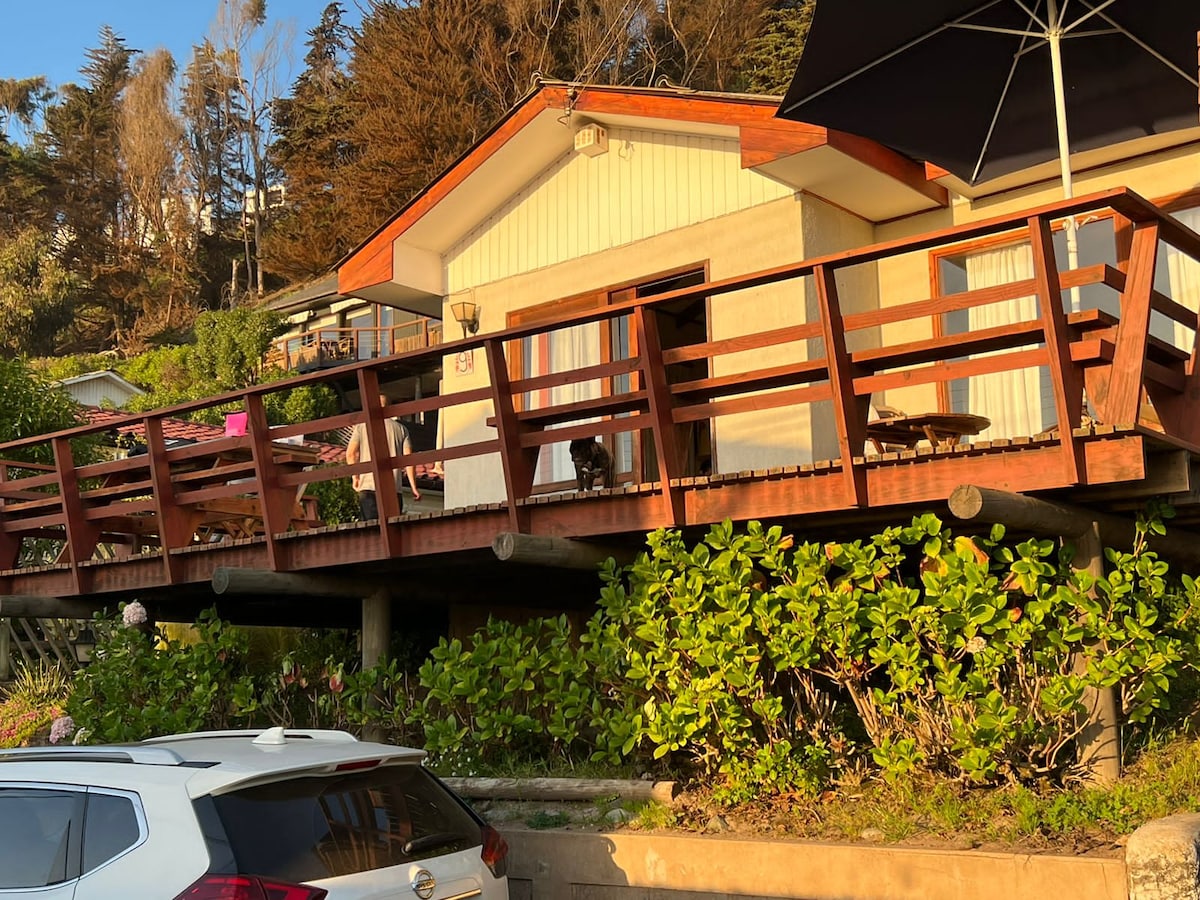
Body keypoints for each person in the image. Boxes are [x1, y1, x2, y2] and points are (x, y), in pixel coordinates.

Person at [345, 393, 421, 521]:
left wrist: (355, 477)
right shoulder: (401, 429)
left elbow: (350, 454)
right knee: (393, 528)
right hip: (393, 488)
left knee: (371, 529)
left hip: (369, 485)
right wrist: (414, 487)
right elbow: (408, 460)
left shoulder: (362, 427)